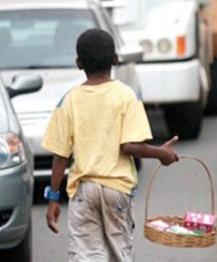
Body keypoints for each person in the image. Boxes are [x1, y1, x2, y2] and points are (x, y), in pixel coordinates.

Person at [41, 28, 179, 262]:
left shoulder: (69, 100)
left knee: (87, 255)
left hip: (84, 191)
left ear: (78, 63)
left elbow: (60, 157)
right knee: (120, 254)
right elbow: (130, 146)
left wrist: (53, 198)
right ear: (115, 59)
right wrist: (160, 153)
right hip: (117, 189)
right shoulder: (127, 95)